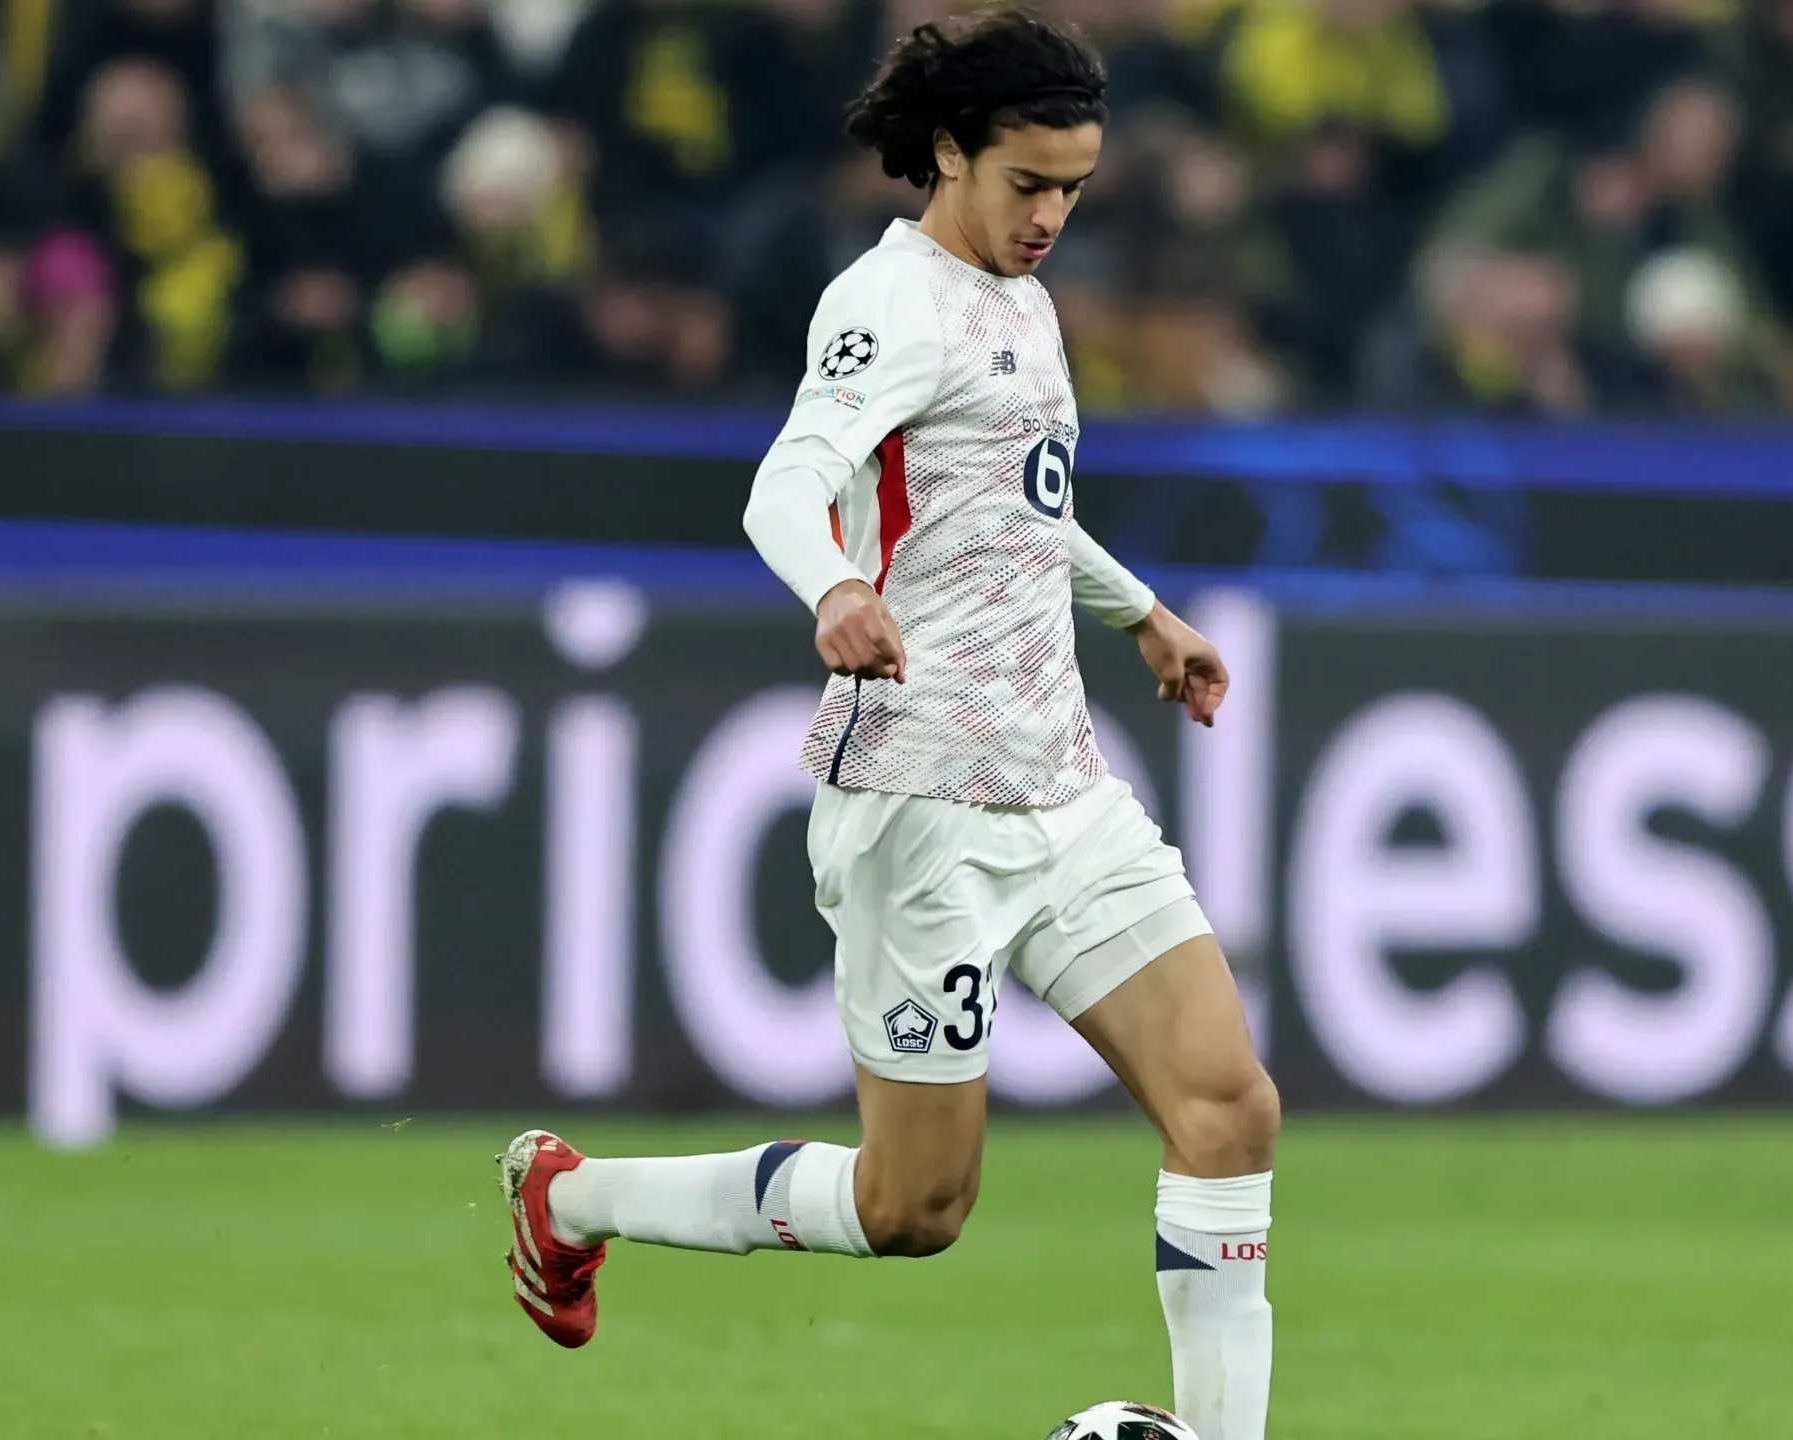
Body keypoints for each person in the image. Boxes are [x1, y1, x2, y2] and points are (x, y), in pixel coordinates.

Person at [494, 13, 1280, 1440]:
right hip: (922, 803)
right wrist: (838, 585)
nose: (1051, 216)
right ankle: (575, 1197)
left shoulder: (1023, 300)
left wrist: (1142, 615)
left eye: (1074, 189)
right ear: (949, 152)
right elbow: (784, 485)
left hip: (1062, 786)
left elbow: (1013, 509)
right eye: (1028, 184)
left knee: (1230, 1109)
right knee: (913, 1206)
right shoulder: (887, 305)